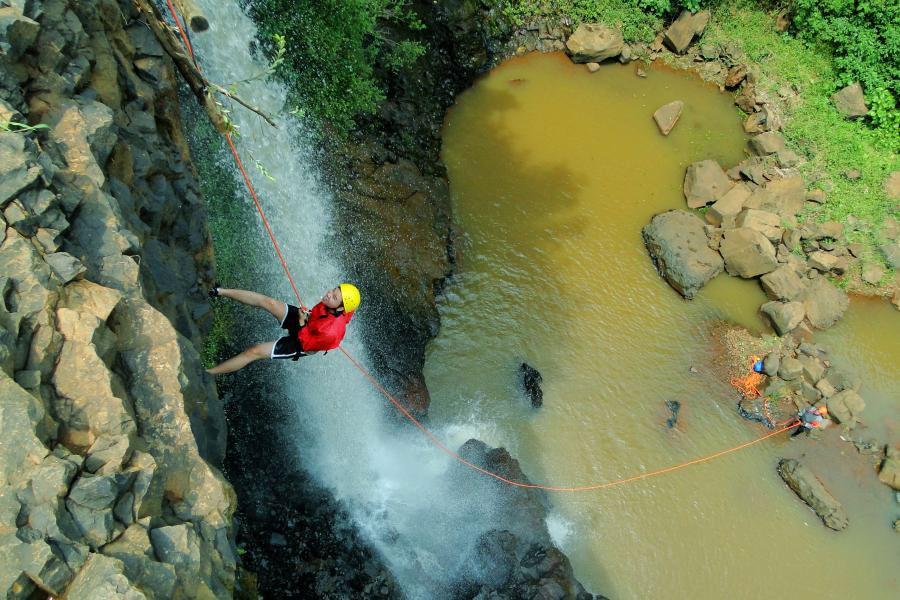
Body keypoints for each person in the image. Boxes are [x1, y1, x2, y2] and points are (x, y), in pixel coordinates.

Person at [206, 283, 360, 375]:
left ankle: (208, 373)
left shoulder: (331, 333)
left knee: (253, 351)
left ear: (340, 309)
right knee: (269, 302)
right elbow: (324, 311)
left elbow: (305, 343)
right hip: (308, 320)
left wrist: (301, 321)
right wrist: (305, 318)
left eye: (334, 297)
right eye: (333, 290)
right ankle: (219, 291)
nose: (328, 294)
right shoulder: (338, 304)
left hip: (303, 342)